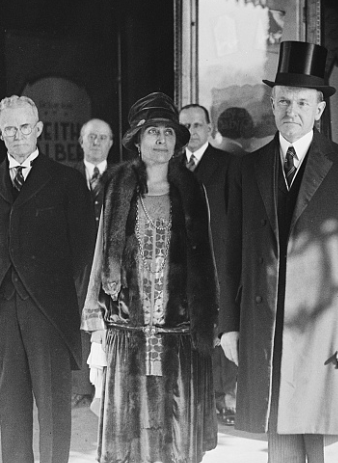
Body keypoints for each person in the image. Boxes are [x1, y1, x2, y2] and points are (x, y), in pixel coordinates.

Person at [219, 41, 338, 463]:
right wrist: (229, 326)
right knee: (280, 442)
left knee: (324, 438)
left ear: (319, 110)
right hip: (268, 329)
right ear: (272, 105)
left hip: (325, 328)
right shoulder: (248, 167)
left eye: (302, 103)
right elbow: (231, 253)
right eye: (283, 101)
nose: (291, 110)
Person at [81, 92, 219, 463]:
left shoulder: (192, 191)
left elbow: (206, 261)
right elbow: (101, 255)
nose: (161, 139)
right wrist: (95, 323)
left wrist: (210, 320)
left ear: (177, 142)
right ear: (138, 141)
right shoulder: (117, 188)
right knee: (130, 440)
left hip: (179, 334)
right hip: (127, 332)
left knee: (176, 438)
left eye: (168, 132)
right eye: (153, 132)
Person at [0, 95, 94, 463]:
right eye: (9, 129)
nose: (18, 135)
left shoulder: (67, 180)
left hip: (49, 312)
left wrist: (63, 298)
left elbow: (83, 251)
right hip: (2, 312)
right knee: (11, 408)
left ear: (39, 129)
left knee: (54, 409)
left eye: (25, 127)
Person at [180, 103, 242, 426]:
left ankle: (226, 398)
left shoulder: (228, 165)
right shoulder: (171, 166)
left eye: (197, 125)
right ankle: (193, 399)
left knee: (222, 325)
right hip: (182, 264)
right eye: (185, 126)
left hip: (218, 260)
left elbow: (236, 216)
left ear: (209, 128)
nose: (191, 131)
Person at [69, 118, 115, 409]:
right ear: (81, 141)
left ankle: (108, 385)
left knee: (109, 317)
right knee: (77, 318)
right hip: (77, 260)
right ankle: (79, 387)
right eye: (91, 137)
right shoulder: (66, 176)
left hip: (110, 259)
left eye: (102, 137)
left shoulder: (122, 176)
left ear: (111, 143)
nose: (96, 142)